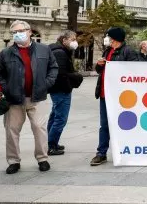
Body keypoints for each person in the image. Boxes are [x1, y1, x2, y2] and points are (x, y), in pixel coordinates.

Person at [0, 20, 58, 174]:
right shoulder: (6, 53)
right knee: (11, 130)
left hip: (37, 97)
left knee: (39, 129)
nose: (17, 34)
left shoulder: (44, 49)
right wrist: (6, 88)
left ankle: (42, 158)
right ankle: (13, 161)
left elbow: (53, 67)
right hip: (14, 99)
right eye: (14, 32)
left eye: (21, 31)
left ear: (29, 31)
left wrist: (47, 83)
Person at [91, 27, 138, 166]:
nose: (107, 38)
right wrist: (99, 65)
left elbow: (135, 71)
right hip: (105, 94)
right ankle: (101, 153)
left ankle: (126, 151)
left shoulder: (128, 51)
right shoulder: (107, 50)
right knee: (104, 125)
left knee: (125, 123)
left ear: (115, 38)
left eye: (108, 36)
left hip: (121, 96)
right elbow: (100, 70)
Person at [47, 30, 84, 156]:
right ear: (64, 40)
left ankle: (52, 142)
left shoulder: (59, 50)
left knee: (54, 116)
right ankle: (52, 146)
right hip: (61, 90)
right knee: (60, 119)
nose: (75, 42)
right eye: (72, 39)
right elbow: (60, 74)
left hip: (57, 89)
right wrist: (74, 79)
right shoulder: (60, 53)